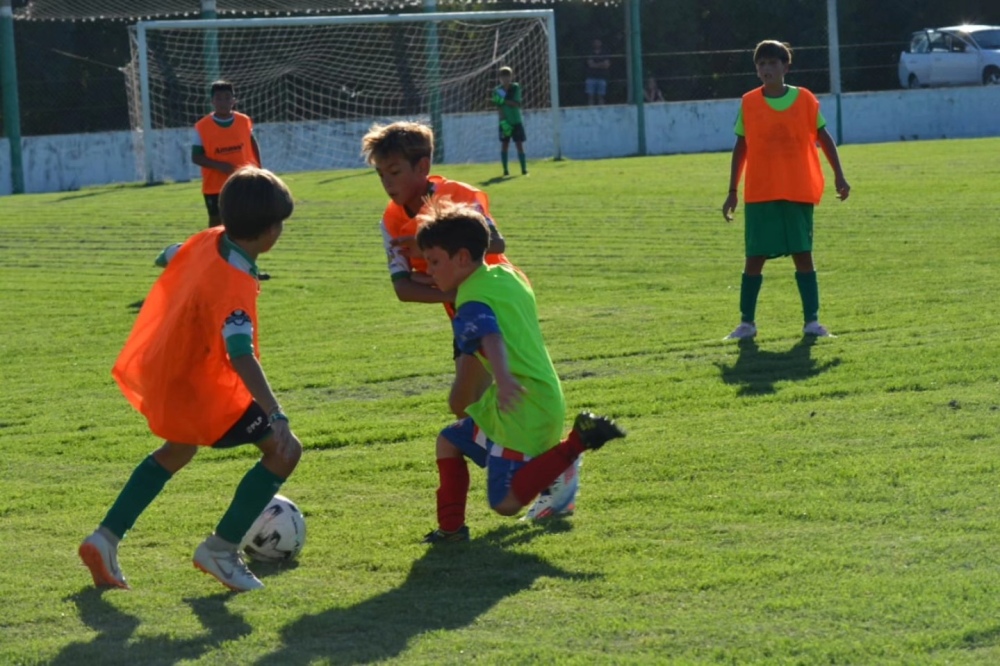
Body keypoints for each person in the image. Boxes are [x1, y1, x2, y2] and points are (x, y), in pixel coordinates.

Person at [78, 166, 302, 593]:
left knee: (177, 450)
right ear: (271, 231)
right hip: (203, 389)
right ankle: (220, 549)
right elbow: (240, 354)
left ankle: (104, 539)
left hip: (169, 373)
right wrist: (276, 412)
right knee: (284, 450)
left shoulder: (210, 239)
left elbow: (169, 252)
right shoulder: (233, 284)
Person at [361, 121, 579, 521]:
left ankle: (550, 468)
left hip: (497, 305)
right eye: (380, 174)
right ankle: (537, 466)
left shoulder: (457, 197)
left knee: (469, 405)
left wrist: (431, 241)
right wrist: (449, 289)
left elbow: (494, 243)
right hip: (466, 315)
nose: (387, 184)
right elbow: (403, 289)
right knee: (468, 407)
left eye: (394, 172)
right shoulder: (390, 222)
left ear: (423, 165)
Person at [414, 199, 626, 542]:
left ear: (463, 258)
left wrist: (506, 377)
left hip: (522, 404)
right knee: (449, 441)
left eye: (435, 261)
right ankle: (451, 529)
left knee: (505, 503)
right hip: (537, 393)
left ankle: (575, 444)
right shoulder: (507, 275)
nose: (429, 270)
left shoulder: (469, 301)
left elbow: (491, 337)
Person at [721, 40, 851, 340]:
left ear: (785, 66)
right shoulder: (749, 103)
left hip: (797, 188)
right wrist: (732, 190)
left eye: (772, 63)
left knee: (803, 254)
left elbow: (824, 137)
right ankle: (746, 324)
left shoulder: (805, 100)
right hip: (761, 190)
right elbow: (741, 146)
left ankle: (812, 322)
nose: (766, 69)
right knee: (755, 257)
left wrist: (839, 176)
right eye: (761, 64)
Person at [192, 80, 270, 280]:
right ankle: (213, 268)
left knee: (246, 226)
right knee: (216, 228)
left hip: (242, 183)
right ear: (212, 101)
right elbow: (196, 156)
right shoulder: (202, 126)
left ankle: (248, 268)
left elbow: (252, 141)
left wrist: (259, 168)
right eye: (219, 98)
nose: (223, 102)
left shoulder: (244, 121)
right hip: (215, 187)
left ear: (234, 100)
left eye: (227, 98)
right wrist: (221, 166)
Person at [492, 66, 528, 176]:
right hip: (505, 122)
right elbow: (499, 107)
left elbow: (515, 104)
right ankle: (505, 170)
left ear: (511, 77)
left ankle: (524, 169)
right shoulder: (497, 90)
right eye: (503, 76)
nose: (505, 79)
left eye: (507, 76)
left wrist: (503, 100)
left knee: (519, 144)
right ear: (499, 78)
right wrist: (503, 121)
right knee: (504, 145)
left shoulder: (515, 88)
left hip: (516, 120)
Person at [585, 38, 611, 105]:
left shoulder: (605, 53)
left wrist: (595, 64)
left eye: (598, 42)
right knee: (590, 96)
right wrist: (601, 64)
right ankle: (590, 110)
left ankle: (601, 110)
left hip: (602, 77)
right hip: (591, 77)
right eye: (595, 42)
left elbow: (607, 65)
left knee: (601, 96)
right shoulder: (590, 52)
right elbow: (590, 65)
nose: (597, 44)